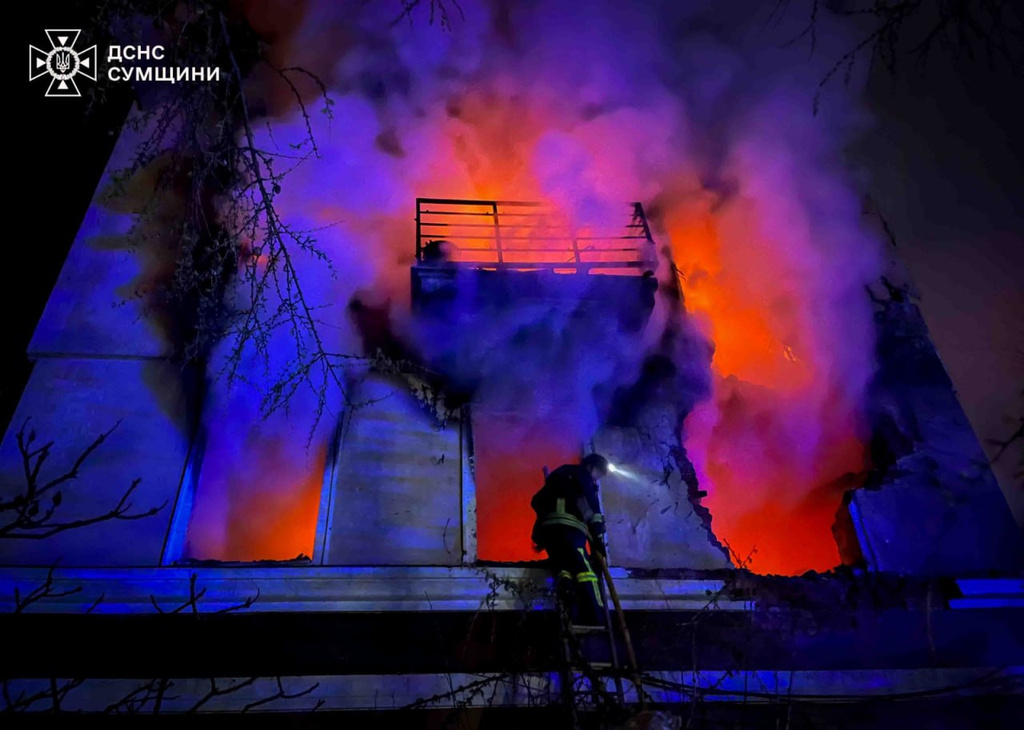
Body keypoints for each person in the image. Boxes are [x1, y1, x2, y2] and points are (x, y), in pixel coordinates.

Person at [530, 453, 610, 627]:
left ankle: (572, 613)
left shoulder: (558, 476)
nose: (596, 480)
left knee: (564, 571)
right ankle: (596, 616)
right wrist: (597, 541)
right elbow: (594, 512)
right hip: (571, 531)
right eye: (598, 475)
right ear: (591, 467)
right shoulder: (583, 476)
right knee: (586, 572)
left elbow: (536, 501)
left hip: (550, 533)